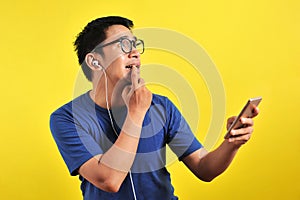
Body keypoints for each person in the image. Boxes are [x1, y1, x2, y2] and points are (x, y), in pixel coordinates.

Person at [50, 16, 259, 200]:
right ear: (95, 61)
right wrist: (136, 113)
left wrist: (233, 142)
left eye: (136, 45)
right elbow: (109, 181)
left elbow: (204, 167)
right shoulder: (68, 118)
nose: (135, 53)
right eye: (123, 45)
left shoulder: (161, 106)